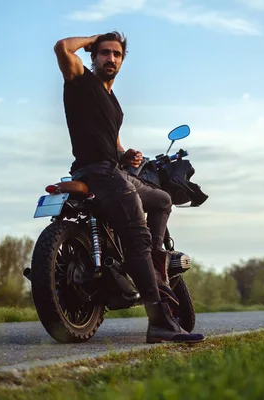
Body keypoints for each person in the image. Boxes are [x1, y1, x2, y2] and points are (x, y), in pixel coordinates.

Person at [53, 31, 204, 344]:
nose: (111, 58)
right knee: (138, 237)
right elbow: (62, 47)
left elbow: (113, 144)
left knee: (162, 199)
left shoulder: (112, 102)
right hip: (98, 172)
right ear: (93, 57)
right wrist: (94, 38)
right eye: (104, 53)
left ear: (122, 61)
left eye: (117, 54)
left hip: (112, 169)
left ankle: (156, 258)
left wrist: (126, 154)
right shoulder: (81, 81)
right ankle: (159, 321)